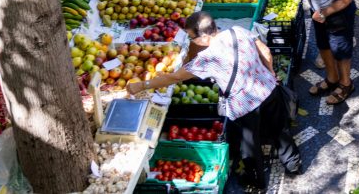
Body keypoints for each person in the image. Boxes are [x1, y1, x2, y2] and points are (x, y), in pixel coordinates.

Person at [126, 12, 301, 187]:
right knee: (280, 128)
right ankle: (293, 163)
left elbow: (173, 78)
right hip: (268, 89)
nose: (192, 41)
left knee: (249, 145)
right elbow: (266, 51)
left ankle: (256, 180)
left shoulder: (207, 59)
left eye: (191, 38)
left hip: (245, 105)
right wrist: (269, 71)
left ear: (202, 37)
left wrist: (142, 85)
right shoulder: (238, 31)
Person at [288, 0, 357, 105]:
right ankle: (332, 78)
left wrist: (324, 13)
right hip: (320, 12)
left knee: (340, 52)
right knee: (324, 45)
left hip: (336, 15)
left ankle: (346, 84)